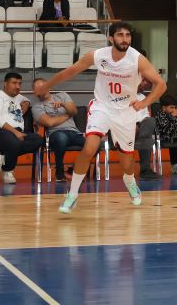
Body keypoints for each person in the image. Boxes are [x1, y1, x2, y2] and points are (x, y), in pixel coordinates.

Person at [44, 21, 166, 213]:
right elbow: (70, 71)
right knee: (89, 148)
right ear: (111, 38)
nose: (125, 39)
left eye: (128, 35)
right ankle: (73, 194)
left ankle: (130, 181)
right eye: (120, 35)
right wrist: (47, 85)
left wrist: (144, 103)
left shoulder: (137, 59)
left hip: (125, 112)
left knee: (126, 163)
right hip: (102, 107)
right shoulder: (98, 55)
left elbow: (160, 84)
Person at [0, 72, 38, 184]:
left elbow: (25, 98)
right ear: (5, 84)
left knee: (38, 140)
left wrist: (27, 102)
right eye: (14, 83)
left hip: (16, 132)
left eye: (19, 83)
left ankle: (3, 157)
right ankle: (8, 170)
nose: (17, 86)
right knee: (14, 142)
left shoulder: (18, 96)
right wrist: (15, 132)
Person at [29, 78, 86, 181]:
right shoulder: (36, 107)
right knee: (61, 138)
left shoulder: (63, 95)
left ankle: (74, 169)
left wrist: (63, 105)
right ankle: (59, 171)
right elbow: (49, 122)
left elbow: (74, 110)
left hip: (74, 132)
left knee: (94, 143)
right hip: (55, 134)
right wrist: (67, 115)